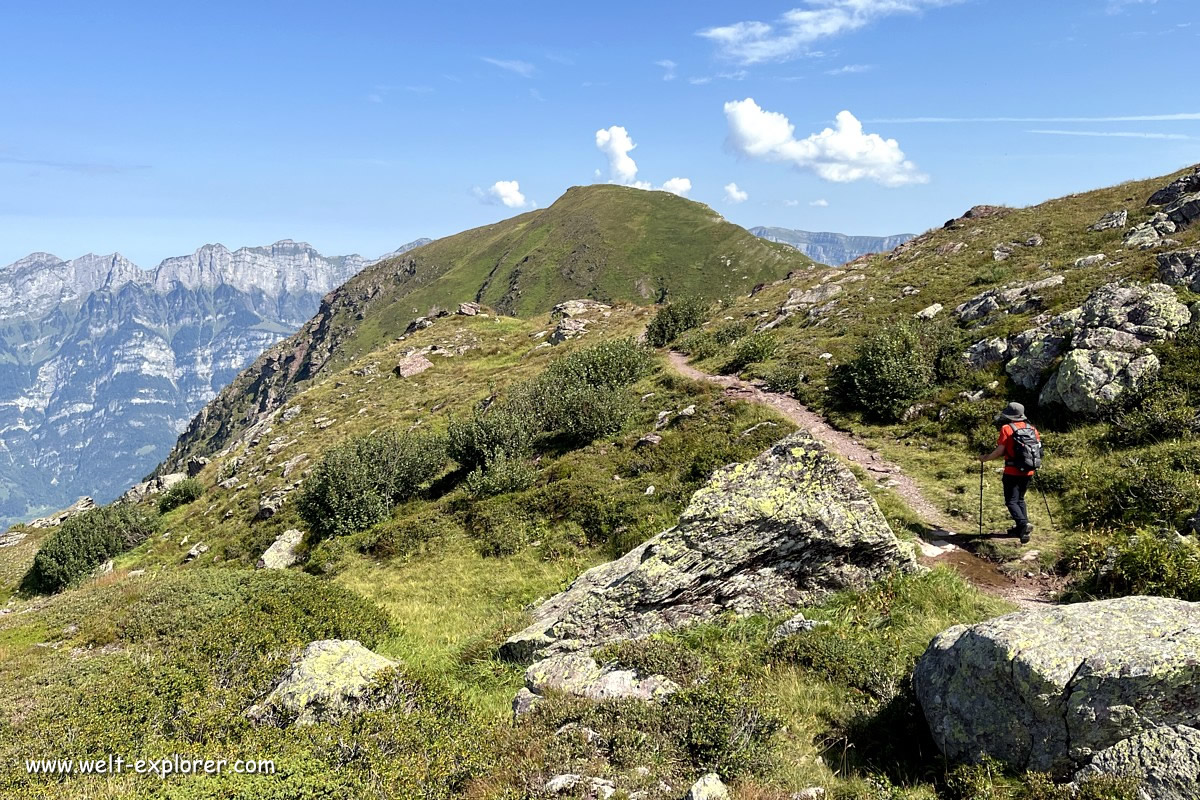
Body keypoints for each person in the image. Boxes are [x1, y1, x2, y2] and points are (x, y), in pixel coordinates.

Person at [979, 401, 1041, 544]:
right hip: (1028, 470)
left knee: (1011, 500)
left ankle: (1023, 524)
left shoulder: (1007, 428)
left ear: (1010, 415)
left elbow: (1000, 451)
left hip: (1012, 470)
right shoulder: (1032, 429)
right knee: (1019, 499)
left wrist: (986, 458)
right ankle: (1021, 529)